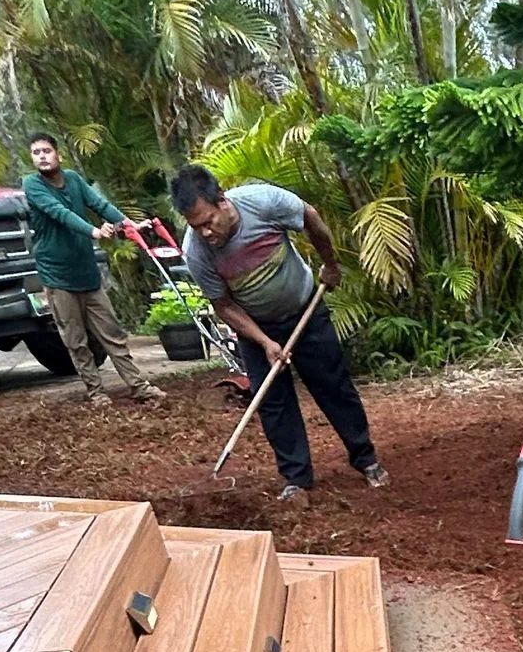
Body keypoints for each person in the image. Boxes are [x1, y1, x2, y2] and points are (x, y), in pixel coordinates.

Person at [170, 164, 387, 495]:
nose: (205, 233)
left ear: (222, 201)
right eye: (195, 227)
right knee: (273, 403)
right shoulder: (197, 252)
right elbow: (224, 305)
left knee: (334, 387)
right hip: (255, 330)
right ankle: (296, 479)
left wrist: (329, 264)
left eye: (208, 222)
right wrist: (265, 342)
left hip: (305, 310)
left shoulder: (263, 202)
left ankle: (365, 458)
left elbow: (310, 217)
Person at [20, 133, 162, 409]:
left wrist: (128, 225)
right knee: (76, 340)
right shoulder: (32, 185)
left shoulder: (72, 179)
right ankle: (96, 392)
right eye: (36, 152)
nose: (42, 156)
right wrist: (94, 231)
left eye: (46, 151)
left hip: (86, 273)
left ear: (57, 154)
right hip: (57, 276)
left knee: (112, 333)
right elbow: (59, 212)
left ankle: (139, 386)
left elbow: (99, 204)